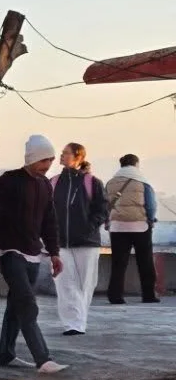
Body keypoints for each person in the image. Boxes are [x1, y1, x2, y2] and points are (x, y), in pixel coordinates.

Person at [0, 135, 68, 373]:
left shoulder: (44, 185)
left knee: (15, 305)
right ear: (32, 158)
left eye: (51, 161)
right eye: (44, 160)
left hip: (34, 253)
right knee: (27, 304)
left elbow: (49, 221)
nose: (48, 166)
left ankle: (6, 355)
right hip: (10, 251)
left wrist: (54, 253)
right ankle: (42, 359)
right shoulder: (8, 181)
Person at [50, 141, 107, 335]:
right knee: (65, 283)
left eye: (66, 153)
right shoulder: (54, 182)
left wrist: (88, 227)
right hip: (60, 243)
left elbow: (102, 210)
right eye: (62, 153)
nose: (62, 156)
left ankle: (79, 321)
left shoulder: (92, 182)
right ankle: (73, 324)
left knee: (85, 284)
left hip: (87, 242)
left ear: (78, 157)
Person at [105, 153, 161, 304]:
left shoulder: (110, 183)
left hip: (117, 227)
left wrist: (108, 220)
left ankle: (115, 296)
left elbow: (106, 205)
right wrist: (150, 219)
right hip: (140, 226)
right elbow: (150, 205)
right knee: (145, 262)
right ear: (136, 164)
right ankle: (148, 295)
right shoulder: (143, 182)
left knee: (118, 263)